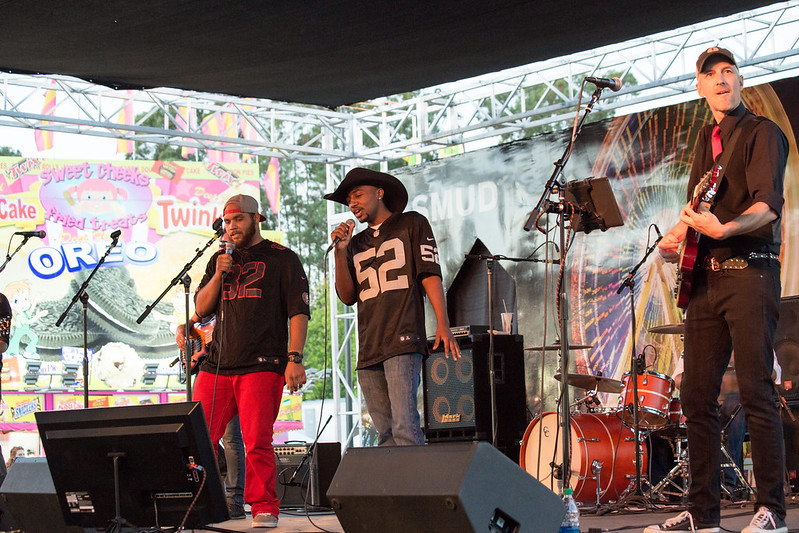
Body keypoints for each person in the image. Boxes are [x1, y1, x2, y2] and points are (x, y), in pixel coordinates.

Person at [648, 47, 789, 533]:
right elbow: (698, 217)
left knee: (756, 391)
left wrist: (725, 229)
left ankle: (770, 509)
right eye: (711, 74)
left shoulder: (761, 133)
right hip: (706, 281)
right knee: (695, 397)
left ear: (740, 80)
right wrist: (677, 238)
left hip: (749, 271)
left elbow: (768, 206)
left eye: (729, 71)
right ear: (699, 87)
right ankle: (701, 512)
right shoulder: (704, 151)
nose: (722, 79)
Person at [193, 194, 310, 529]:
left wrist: (294, 358)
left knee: (257, 440)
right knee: (198, 439)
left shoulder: (282, 258)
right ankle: (199, 502)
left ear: (256, 218)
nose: (232, 227)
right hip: (216, 365)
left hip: (261, 362)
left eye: (238, 220)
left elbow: (298, 313)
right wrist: (218, 274)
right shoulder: (219, 259)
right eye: (227, 222)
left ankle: (264, 506)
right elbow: (202, 310)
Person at [325, 167, 460, 446]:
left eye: (358, 195)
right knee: (385, 435)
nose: (352, 203)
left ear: (379, 192)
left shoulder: (411, 223)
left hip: (403, 338)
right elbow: (348, 296)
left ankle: (420, 490)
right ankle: (397, 490)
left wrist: (443, 324)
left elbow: (430, 275)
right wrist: (340, 251)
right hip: (369, 347)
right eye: (349, 199)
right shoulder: (355, 242)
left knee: (405, 428)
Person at [176, 313, 246, 520]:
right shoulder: (206, 309)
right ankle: (210, 496)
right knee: (204, 437)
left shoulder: (232, 302)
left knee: (231, 437)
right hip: (208, 371)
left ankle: (235, 499)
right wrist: (183, 332)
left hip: (230, 370)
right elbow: (191, 326)